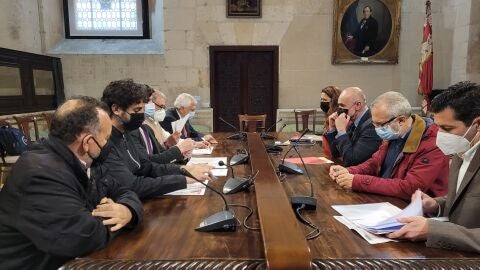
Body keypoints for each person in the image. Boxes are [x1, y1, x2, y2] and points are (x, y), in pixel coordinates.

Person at [0, 96, 143, 269]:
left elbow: (124, 190)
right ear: (87, 142)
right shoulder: (40, 174)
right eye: (106, 139)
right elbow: (81, 236)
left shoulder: (89, 162)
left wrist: (127, 210)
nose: (108, 145)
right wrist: (121, 220)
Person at [388, 81, 480, 253]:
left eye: (447, 128)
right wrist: (435, 205)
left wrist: (435, 230)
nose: (440, 136)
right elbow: (463, 202)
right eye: (437, 127)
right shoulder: (463, 148)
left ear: (478, 124)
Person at [100, 79, 212, 200]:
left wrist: (183, 169)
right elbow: (132, 185)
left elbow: (147, 166)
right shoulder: (105, 141)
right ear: (116, 109)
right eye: (137, 110)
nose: (142, 115)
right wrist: (182, 180)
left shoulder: (125, 132)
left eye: (143, 109)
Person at [329, 91, 449, 201]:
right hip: (388, 200)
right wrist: (349, 171)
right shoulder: (394, 133)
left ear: (401, 120)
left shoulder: (432, 143)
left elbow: (411, 188)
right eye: (374, 124)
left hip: (416, 211)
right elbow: (375, 162)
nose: (377, 129)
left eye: (380, 124)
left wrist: (358, 181)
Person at [131, 87, 197, 164]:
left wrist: (183, 150)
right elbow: (148, 162)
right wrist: (178, 149)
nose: (148, 105)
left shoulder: (153, 122)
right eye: (147, 101)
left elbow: (164, 145)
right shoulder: (139, 126)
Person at [323, 87, 381, 166]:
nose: (339, 110)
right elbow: (336, 153)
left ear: (357, 105)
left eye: (342, 106)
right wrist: (332, 128)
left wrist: (341, 131)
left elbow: (351, 161)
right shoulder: (355, 120)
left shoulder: (372, 126)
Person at [320, 86, 341, 158]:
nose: (322, 102)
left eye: (324, 100)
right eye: (321, 99)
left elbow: (337, 144)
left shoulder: (337, 117)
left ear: (333, 101)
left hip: (336, 160)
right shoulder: (328, 115)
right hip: (328, 156)